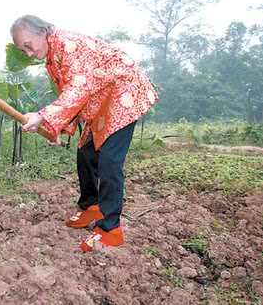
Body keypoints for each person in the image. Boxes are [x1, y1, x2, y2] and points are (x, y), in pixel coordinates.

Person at [11, 15, 158, 252]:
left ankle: (111, 230)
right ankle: (92, 207)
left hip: (124, 92)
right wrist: (55, 127)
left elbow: (78, 89)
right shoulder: (52, 57)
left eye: (28, 45)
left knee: (110, 160)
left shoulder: (67, 46)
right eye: (22, 49)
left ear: (42, 32)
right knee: (85, 153)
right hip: (102, 100)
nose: (27, 53)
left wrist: (43, 116)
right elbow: (71, 95)